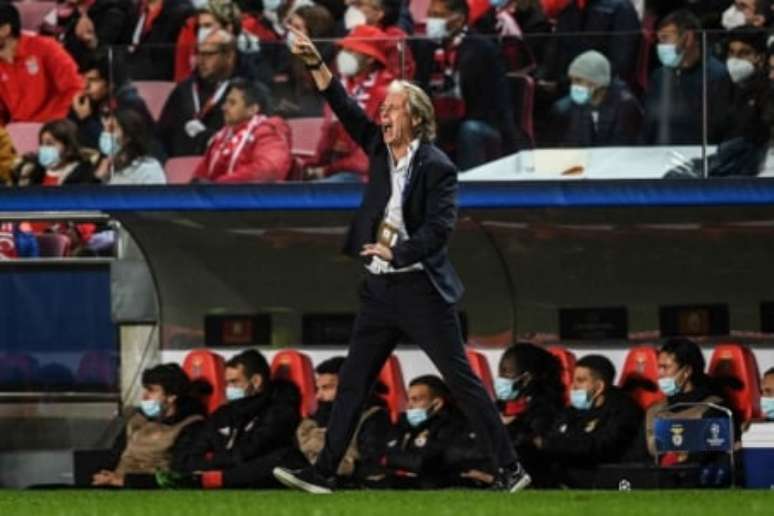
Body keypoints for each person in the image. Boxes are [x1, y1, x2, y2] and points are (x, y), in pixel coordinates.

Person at [272, 26, 530, 494]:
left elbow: (438, 231)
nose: (382, 114)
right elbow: (343, 104)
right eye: (383, 108)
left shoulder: (437, 167)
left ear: (414, 117)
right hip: (379, 289)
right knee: (352, 382)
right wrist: (315, 61)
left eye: (390, 108)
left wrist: (398, 250)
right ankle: (325, 472)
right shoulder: (376, 147)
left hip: (419, 288)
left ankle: (510, 468)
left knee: (462, 381)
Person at [179, 350, 304, 488]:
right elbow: (193, 454)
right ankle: (213, 479)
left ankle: (212, 479)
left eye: (234, 382)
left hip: (262, 474)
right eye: (227, 383)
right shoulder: (223, 414)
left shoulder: (280, 410)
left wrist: (214, 460)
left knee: (285, 459)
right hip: (229, 470)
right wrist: (219, 460)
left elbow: (252, 450)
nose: (229, 389)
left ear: (256, 381)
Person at [415, 0, 516, 170]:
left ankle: (471, 190)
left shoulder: (482, 49)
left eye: (438, 16)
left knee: (469, 131)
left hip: (482, 123)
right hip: (442, 123)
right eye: (430, 15)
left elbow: (492, 105)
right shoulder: (427, 49)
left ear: (459, 19)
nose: (431, 21)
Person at [535, 355, 645, 488]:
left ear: (599, 387)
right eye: (573, 380)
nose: (573, 387)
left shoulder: (624, 411)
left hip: (608, 482)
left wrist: (551, 443)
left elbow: (601, 447)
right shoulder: (572, 410)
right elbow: (554, 435)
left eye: (580, 381)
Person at [91, 363, 206, 488]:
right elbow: (115, 454)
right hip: (116, 483)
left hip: (148, 488)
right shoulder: (137, 420)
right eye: (145, 389)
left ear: (171, 396)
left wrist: (125, 481)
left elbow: (178, 474)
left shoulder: (191, 426)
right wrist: (103, 474)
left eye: (151, 390)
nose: (144, 396)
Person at [303, 25, 394, 182]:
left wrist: (327, 170)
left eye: (351, 51)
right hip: (338, 167)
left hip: (369, 175)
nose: (343, 55)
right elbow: (327, 134)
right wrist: (312, 165)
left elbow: (369, 158)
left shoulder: (387, 94)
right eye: (343, 50)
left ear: (370, 58)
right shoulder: (339, 86)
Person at [640, 10, 733, 145]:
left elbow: (718, 129)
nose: (660, 46)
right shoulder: (659, 76)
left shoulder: (716, 75)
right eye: (659, 40)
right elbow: (648, 125)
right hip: (657, 156)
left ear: (688, 38)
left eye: (665, 38)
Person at [159, 29, 256, 157]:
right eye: (199, 54)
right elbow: (160, 137)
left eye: (209, 55)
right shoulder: (184, 91)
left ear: (229, 57)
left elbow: (250, 142)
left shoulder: (249, 92)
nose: (201, 61)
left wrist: (207, 136)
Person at [381, 375, 491, 488]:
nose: (409, 406)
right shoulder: (406, 423)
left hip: (449, 484)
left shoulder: (453, 424)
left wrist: (388, 459)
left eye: (416, 400)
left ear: (437, 404)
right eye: (408, 399)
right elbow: (386, 447)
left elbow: (427, 461)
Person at [296, 356, 392, 486]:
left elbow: (370, 466)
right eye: (317, 389)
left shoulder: (373, 417)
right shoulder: (317, 416)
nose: (319, 395)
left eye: (327, 387)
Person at [645, 338, 732, 465]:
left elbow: (709, 456)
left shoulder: (714, 408)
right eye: (659, 367)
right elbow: (639, 456)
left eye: (665, 367)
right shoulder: (654, 411)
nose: (660, 373)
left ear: (686, 371)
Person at [193, 78, 292, 183]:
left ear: (252, 109)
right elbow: (201, 173)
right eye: (226, 102)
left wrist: (219, 186)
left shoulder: (269, 133)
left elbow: (269, 170)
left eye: (232, 103)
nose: (224, 107)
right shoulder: (222, 136)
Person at [495, 343, 565, 488]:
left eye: (505, 373)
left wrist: (510, 426)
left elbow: (530, 448)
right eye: (500, 373)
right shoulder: (497, 407)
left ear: (525, 378)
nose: (500, 379)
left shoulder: (546, 410)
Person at [0, 3, 83, 124]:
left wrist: (55, 122)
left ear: (5, 30)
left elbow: (74, 87)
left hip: (53, 128)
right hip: (17, 131)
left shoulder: (45, 48)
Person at [546, 50, 642, 147]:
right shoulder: (565, 109)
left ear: (597, 82)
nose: (573, 86)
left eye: (578, 81)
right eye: (572, 80)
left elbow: (624, 148)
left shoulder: (626, 106)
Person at [69, 50, 157, 154]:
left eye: (93, 80)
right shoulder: (88, 101)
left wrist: (86, 120)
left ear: (111, 83)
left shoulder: (130, 104)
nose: (85, 86)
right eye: (83, 79)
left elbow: (115, 147)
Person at [541, 0, 641, 88]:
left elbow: (620, 64)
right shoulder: (571, 7)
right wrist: (546, 78)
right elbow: (556, 50)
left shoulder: (621, 8)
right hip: (568, 85)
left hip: (600, 89)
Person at [173, 0, 265, 83]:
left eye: (208, 25)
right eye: (200, 26)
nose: (202, 32)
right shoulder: (199, 68)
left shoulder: (253, 62)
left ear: (228, 28)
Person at [122, 0, 195, 81]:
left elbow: (183, 61)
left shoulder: (181, 12)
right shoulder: (134, 9)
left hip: (162, 85)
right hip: (132, 81)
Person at [12, 119, 99, 186]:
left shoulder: (83, 176)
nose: (43, 149)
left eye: (50, 144)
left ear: (69, 149)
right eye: (42, 144)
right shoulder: (33, 172)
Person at [342, 0, 416, 79]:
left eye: (359, 5)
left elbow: (398, 79)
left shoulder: (393, 38)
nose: (352, 10)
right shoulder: (353, 32)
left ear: (379, 13)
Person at [50, 0, 134, 69]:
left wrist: (90, 41)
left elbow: (101, 54)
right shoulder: (71, 9)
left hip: (101, 80)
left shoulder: (114, 11)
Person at [100, 109, 167, 185]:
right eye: (105, 130)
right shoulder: (111, 168)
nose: (106, 135)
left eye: (112, 129)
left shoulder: (149, 169)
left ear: (128, 135)